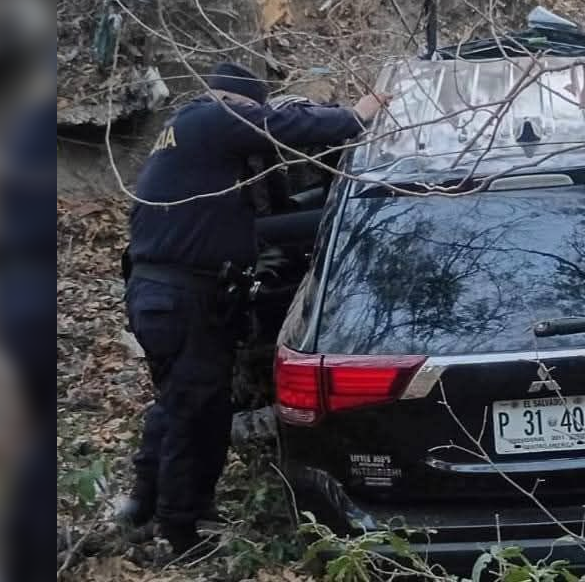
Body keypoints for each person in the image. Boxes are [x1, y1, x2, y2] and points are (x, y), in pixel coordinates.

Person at [117, 62, 390, 558]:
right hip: (181, 296)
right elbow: (286, 129)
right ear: (239, 103)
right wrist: (359, 114)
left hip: (166, 294)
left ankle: (144, 503)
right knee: (197, 412)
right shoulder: (211, 117)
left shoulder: (188, 132)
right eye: (254, 110)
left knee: (179, 401)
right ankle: (180, 531)